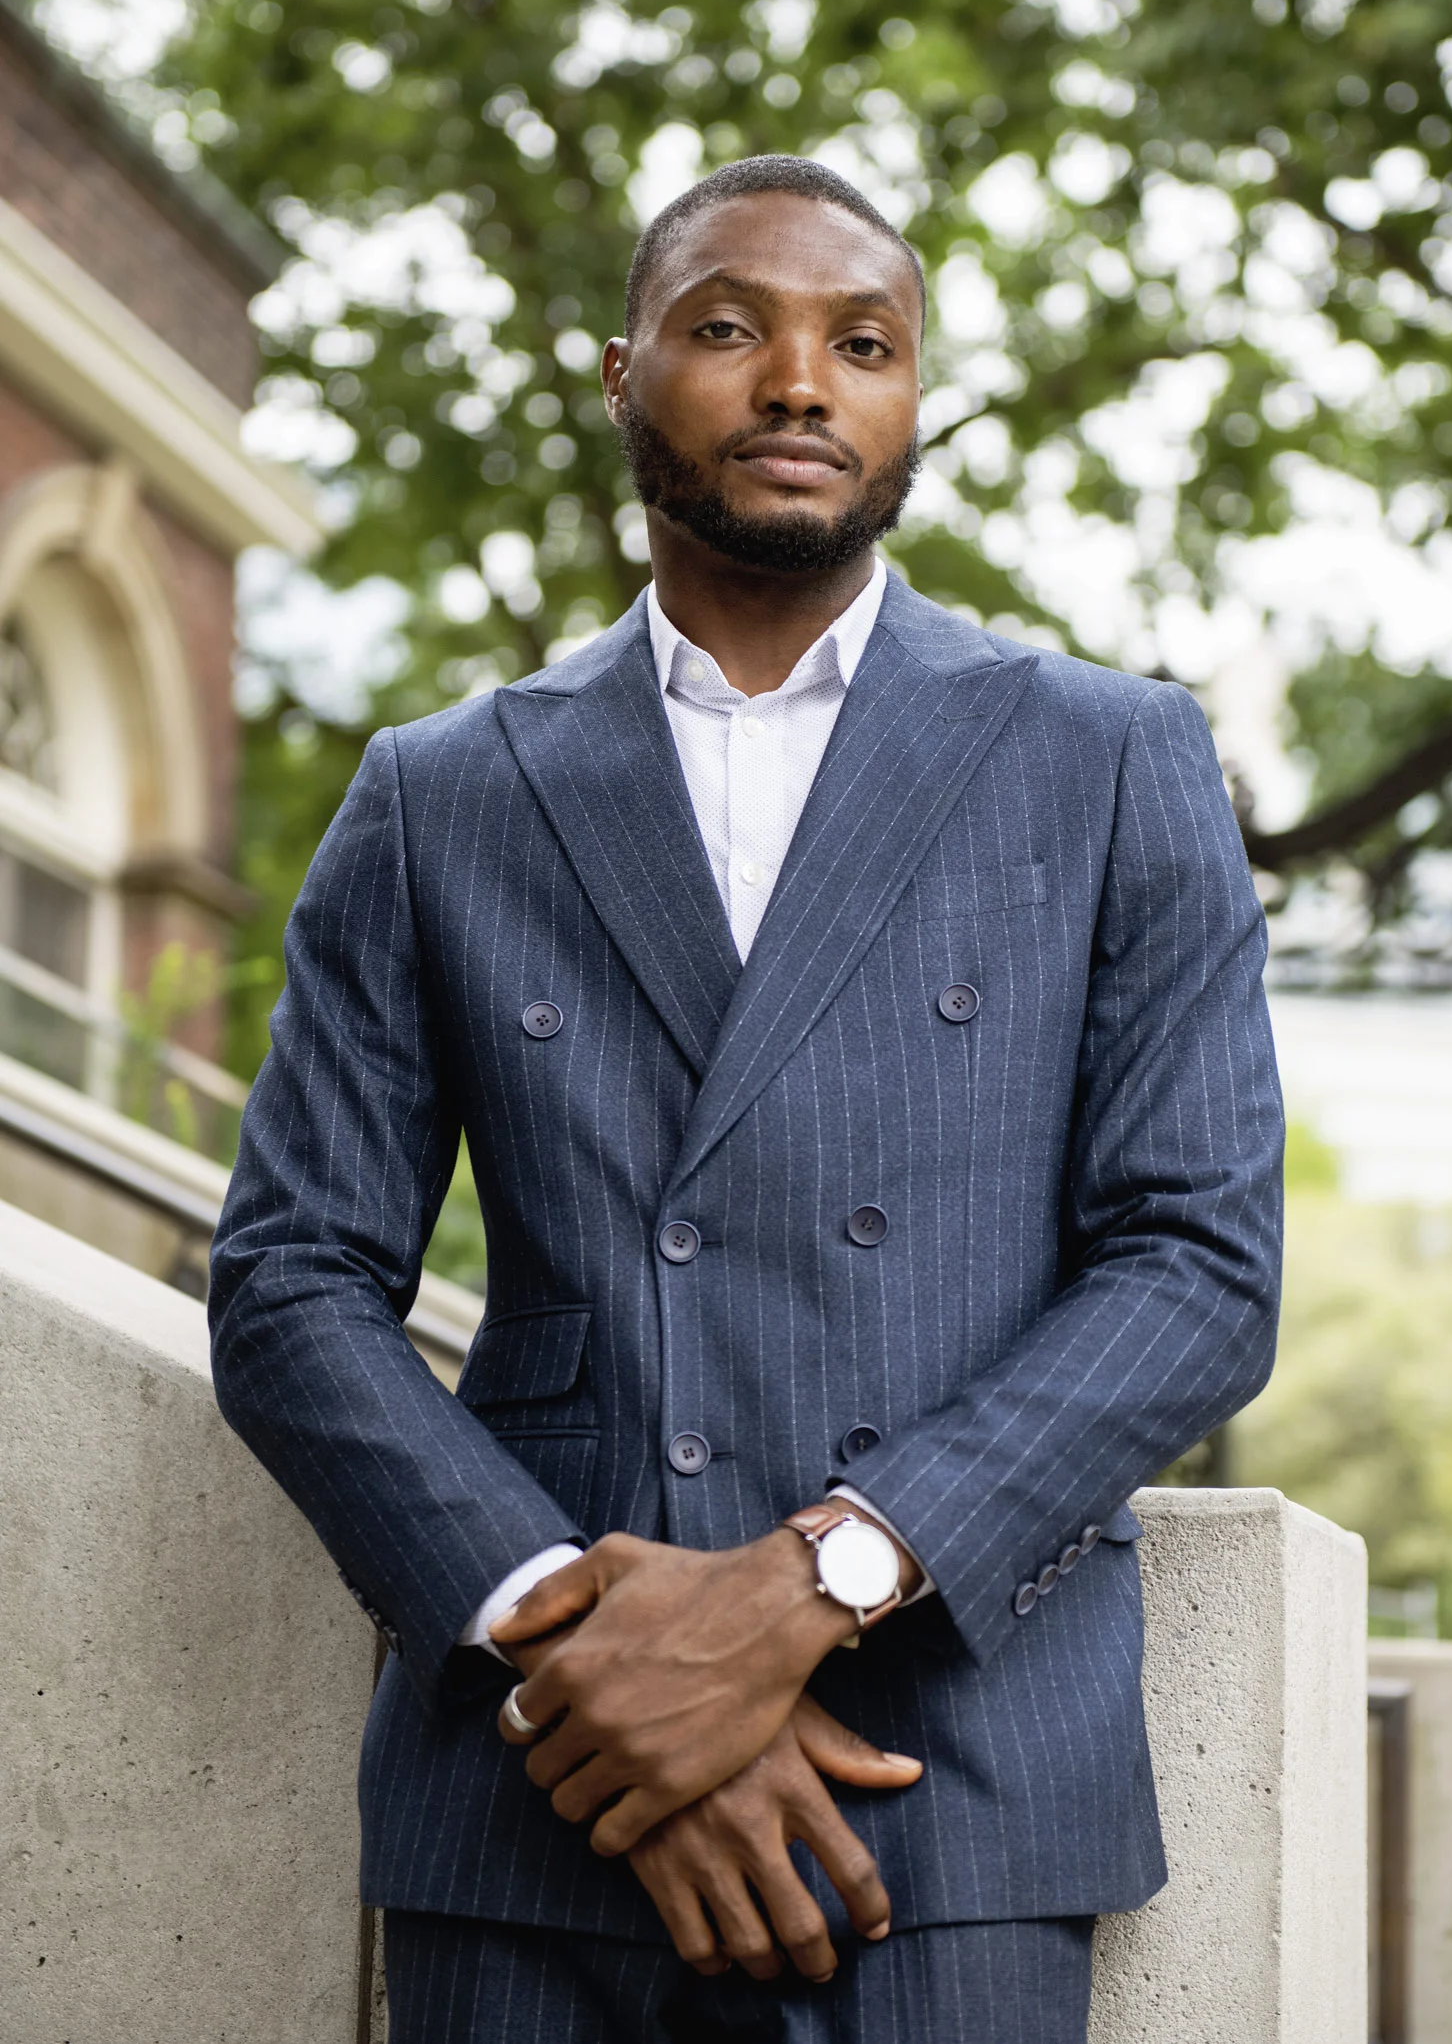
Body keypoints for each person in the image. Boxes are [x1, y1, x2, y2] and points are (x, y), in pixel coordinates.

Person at [209, 154, 1282, 2044]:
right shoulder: (441, 790)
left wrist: (802, 1590)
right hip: (548, 1793)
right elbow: (293, 1281)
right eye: (731, 327)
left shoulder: (1110, 758)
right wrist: (588, 1654)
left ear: (914, 401)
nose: (802, 382)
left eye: (863, 343)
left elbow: (1196, 1266)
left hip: (953, 1784)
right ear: (622, 374)